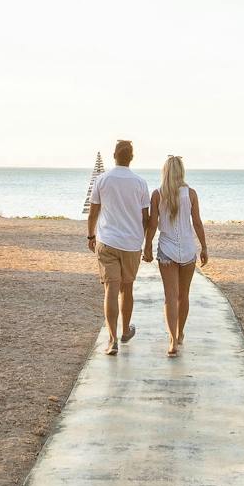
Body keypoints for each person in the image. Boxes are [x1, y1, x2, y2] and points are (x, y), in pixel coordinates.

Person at [87, 138, 152, 356]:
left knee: (110, 290)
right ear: (131, 158)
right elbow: (146, 217)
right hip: (131, 244)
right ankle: (125, 332)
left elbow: (94, 211)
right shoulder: (140, 183)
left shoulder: (102, 179)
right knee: (127, 289)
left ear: (114, 156)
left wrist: (90, 235)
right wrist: (141, 240)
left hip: (108, 241)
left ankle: (112, 340)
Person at [143, 155, 208, 356]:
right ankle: (179, 333)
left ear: (165, 172)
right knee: (183, 295)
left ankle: (172, 341)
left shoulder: (157, 194)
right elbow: (196, 222)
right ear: (181, 172)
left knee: (170, 296)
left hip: (167, 249)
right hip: (188, 249)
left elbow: (153, 224)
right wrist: (204, 247)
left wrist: (147, 247)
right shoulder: (191, 194)